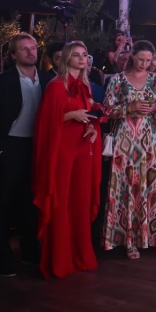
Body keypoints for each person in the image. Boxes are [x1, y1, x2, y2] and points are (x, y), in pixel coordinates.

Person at [0, 33, 54, 276]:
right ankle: (0, 258)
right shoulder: (2, 81)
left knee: (32, 203)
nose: (31, 52)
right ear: (13, 54)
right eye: (24, 49)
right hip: (11, 145)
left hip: (38, 146)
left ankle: (30, 251)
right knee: (3, 205)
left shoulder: (48, 79)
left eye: (33, 48)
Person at [32, 41, 102, 279]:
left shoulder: (84, 86)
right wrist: (72, 114)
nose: (82, 58)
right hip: (62, 148)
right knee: (61, 202)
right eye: (76, 55)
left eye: (85, 54)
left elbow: (89, 114)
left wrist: (92, 127)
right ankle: (60, 259)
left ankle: (79, 255)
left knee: (80, 201)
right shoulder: (55, 86)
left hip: (82, 146)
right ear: (66, 58)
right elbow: (45, 122)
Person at [101, 41, 156, 259]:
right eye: (141, 59)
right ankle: (128, 240)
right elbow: (106, 110)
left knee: (153, 184)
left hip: (149, 138)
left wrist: (155, 109)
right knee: (126, 184)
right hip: (124, 138)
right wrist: (129, 108)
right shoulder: (117, 80)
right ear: (132, 56)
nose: (145, 63)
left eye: (149, 60)